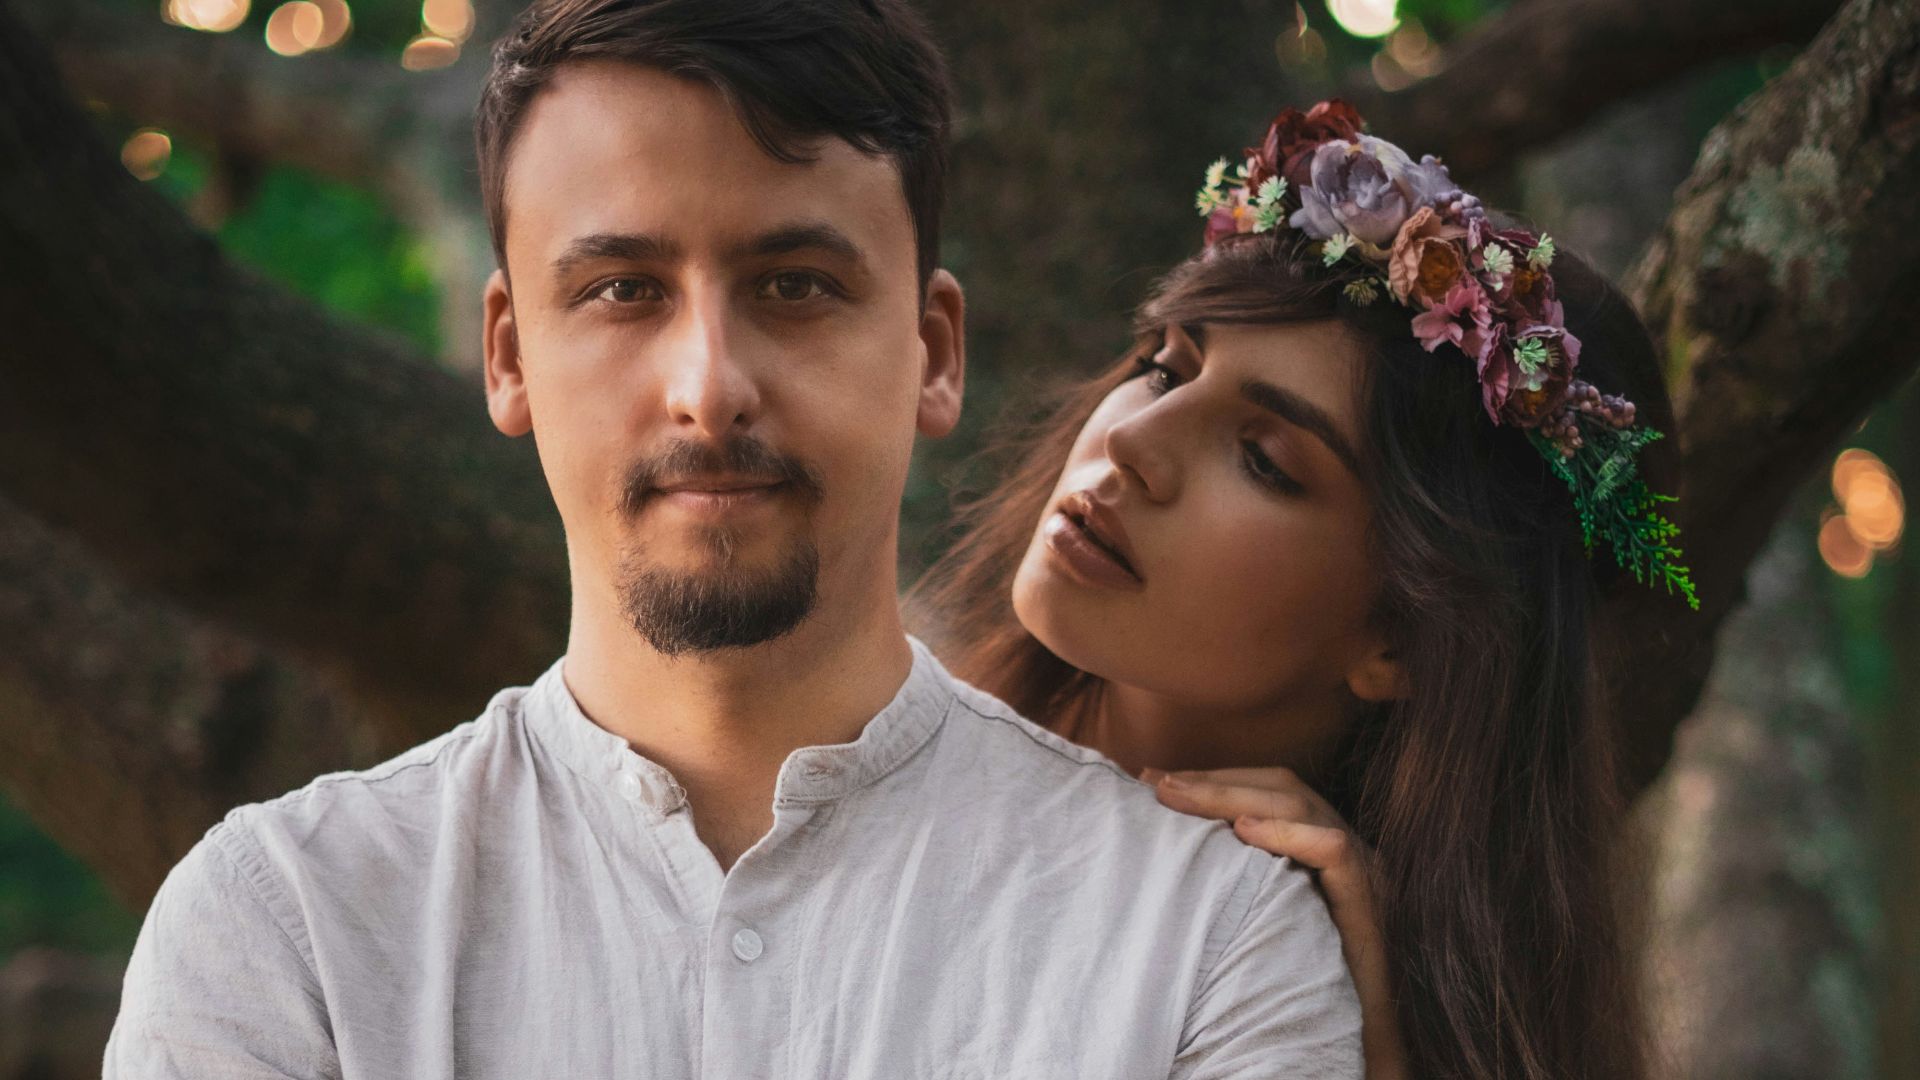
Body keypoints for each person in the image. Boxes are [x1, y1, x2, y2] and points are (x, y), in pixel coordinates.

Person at [103, 4, 1363, 1077]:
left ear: (934, 351)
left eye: (795, 285)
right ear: (507, 354)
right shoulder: (288, 932)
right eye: (622, 291)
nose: (709, 384)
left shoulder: (1208, 939)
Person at [910, 101, 1696, 1080]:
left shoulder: (1304, 982)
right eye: (1166, 369)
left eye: (1265, 459)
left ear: (1401, 641)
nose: (1133, 445)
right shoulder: (821, 741)